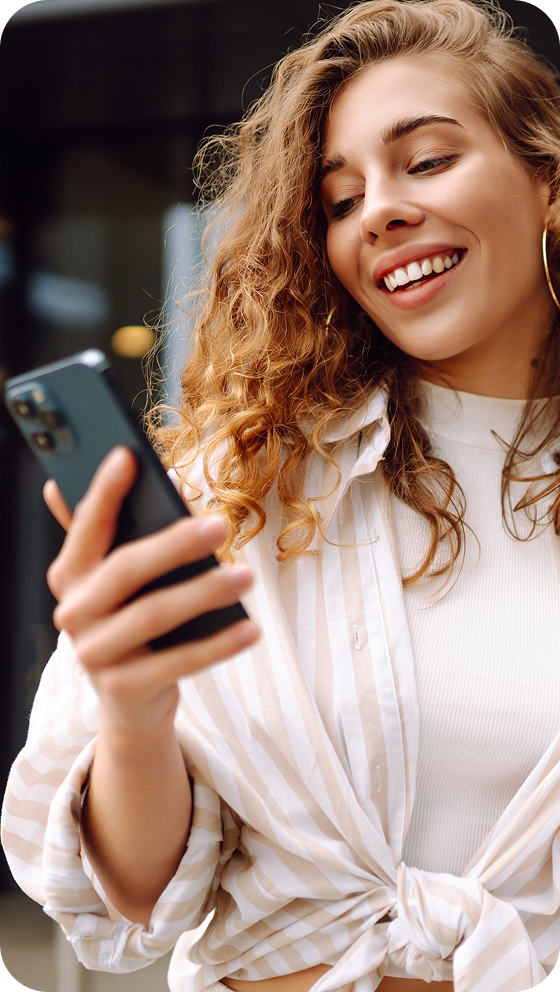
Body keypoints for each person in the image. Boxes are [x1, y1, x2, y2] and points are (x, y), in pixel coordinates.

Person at [3, 1, 560, 990]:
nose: (378, 210)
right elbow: (128, 901)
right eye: (338, 200)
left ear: (544, 181)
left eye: (425, 161)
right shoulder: (241, 495)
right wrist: (133, 712)